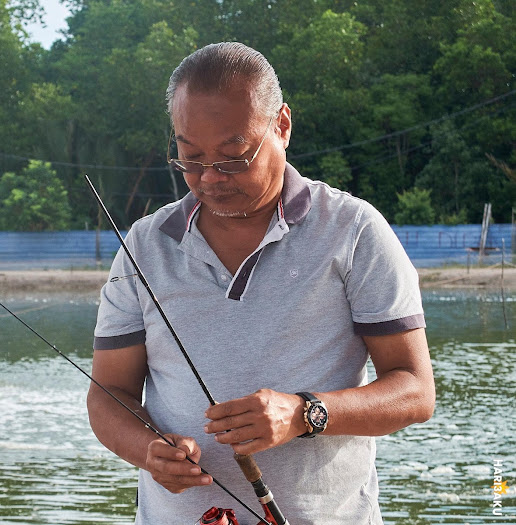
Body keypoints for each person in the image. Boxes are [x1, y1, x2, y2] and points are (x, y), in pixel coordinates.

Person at [87, 42, 435, 525]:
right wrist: (147, 448)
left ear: (282, 126)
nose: (210, 178)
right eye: (190, 158)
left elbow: (415, 391)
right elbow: (109, 392)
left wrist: (303, 413)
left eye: (233, 158)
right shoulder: (145, 245)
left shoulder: (354, 230)